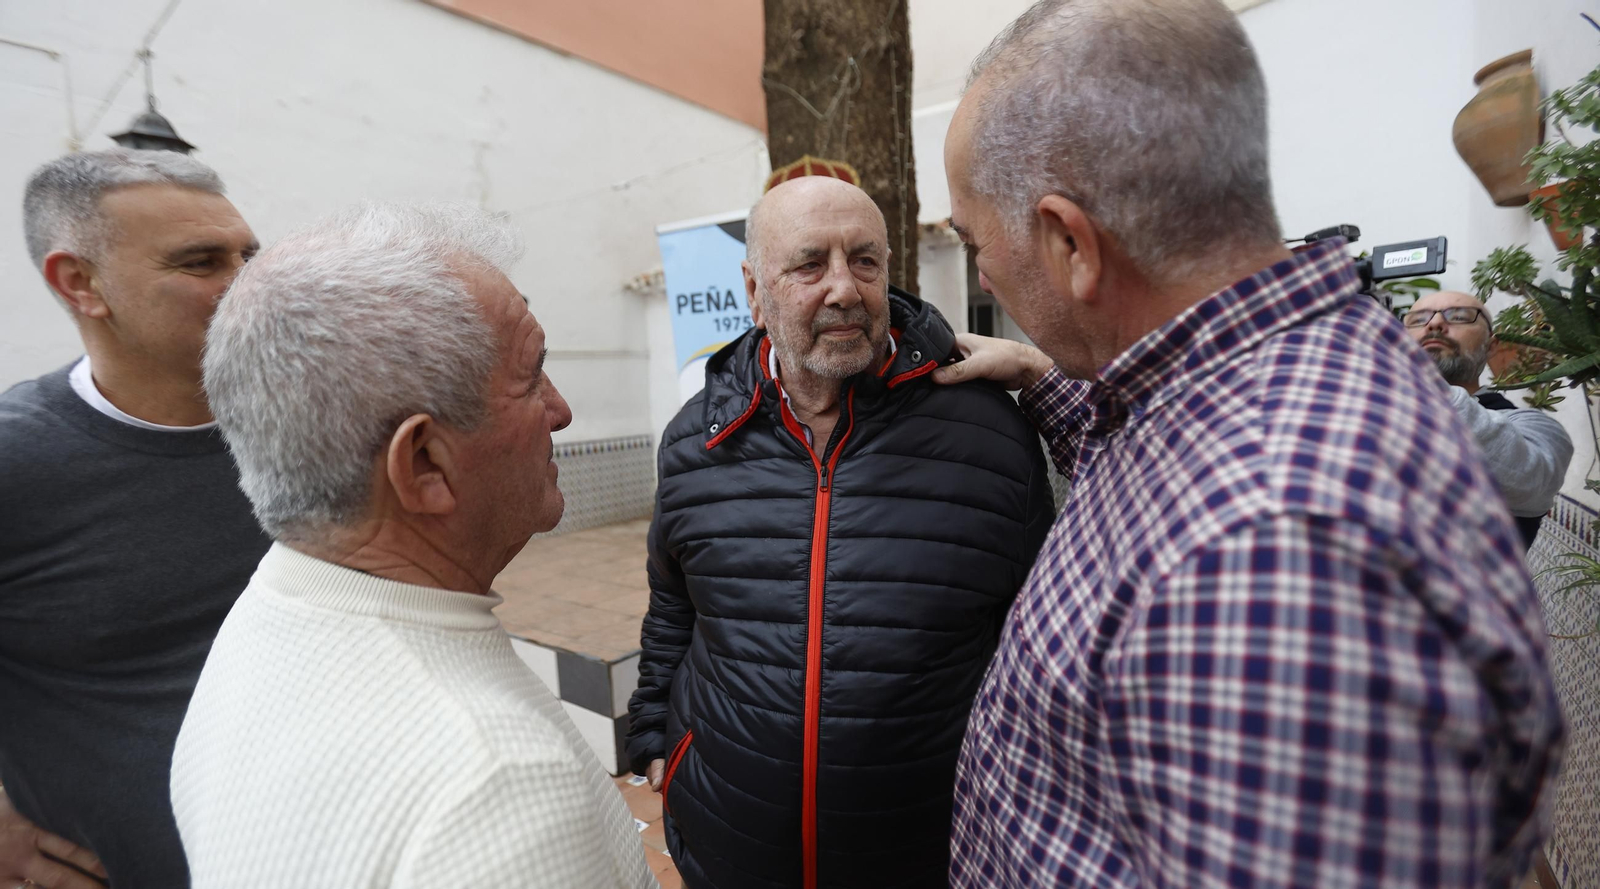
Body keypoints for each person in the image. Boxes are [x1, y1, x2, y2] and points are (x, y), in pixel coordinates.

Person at [934, 0, 1565, 886]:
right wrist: (1040, 371)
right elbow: (1153, 467)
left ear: (1070, 241)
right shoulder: (1232, 382)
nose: (983, 273)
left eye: (972, 242)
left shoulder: (1270, 548)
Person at [170, 203, 655, 889]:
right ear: (424, 463)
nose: (562, 411)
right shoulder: (498, 787)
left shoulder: (271, 609)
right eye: (531, 374)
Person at [627, 175, 1055, 889]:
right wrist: (654, 741)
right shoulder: (696, 440)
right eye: (808, 264)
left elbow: (1039, 637)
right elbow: (674, 605)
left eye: (864, 260)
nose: (844, 289)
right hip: (732, 844)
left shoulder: (988, 433)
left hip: (930, 851)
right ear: (754, 290)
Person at [0, 149, 267, 888]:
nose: (248, 284)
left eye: (249, 255)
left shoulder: (308, 420)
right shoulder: (17, 459)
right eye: (201, 262)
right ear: (80, 283)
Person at [1403, 290, 1573, 546]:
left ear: (1491, 346)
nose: (1435, 324)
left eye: (1459, 317)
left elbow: (1528, 482)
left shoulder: (1534, 429)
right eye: (1418, 320)